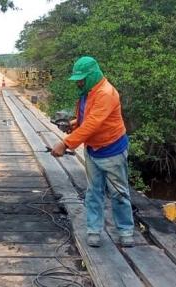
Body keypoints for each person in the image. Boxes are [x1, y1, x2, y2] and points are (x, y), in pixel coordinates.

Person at [51, 56, 135, 248]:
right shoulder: (88, 92)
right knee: (93, 192)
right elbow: (87, 118)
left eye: (81, 78)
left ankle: (125, 231)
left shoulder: (106, 93)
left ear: (93, 75)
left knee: (119, 193)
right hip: (93, 150)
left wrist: (65, 144)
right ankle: (94, 230)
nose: (78, 82)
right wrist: (74, 125)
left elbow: (93, 123)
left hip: (112, 149)